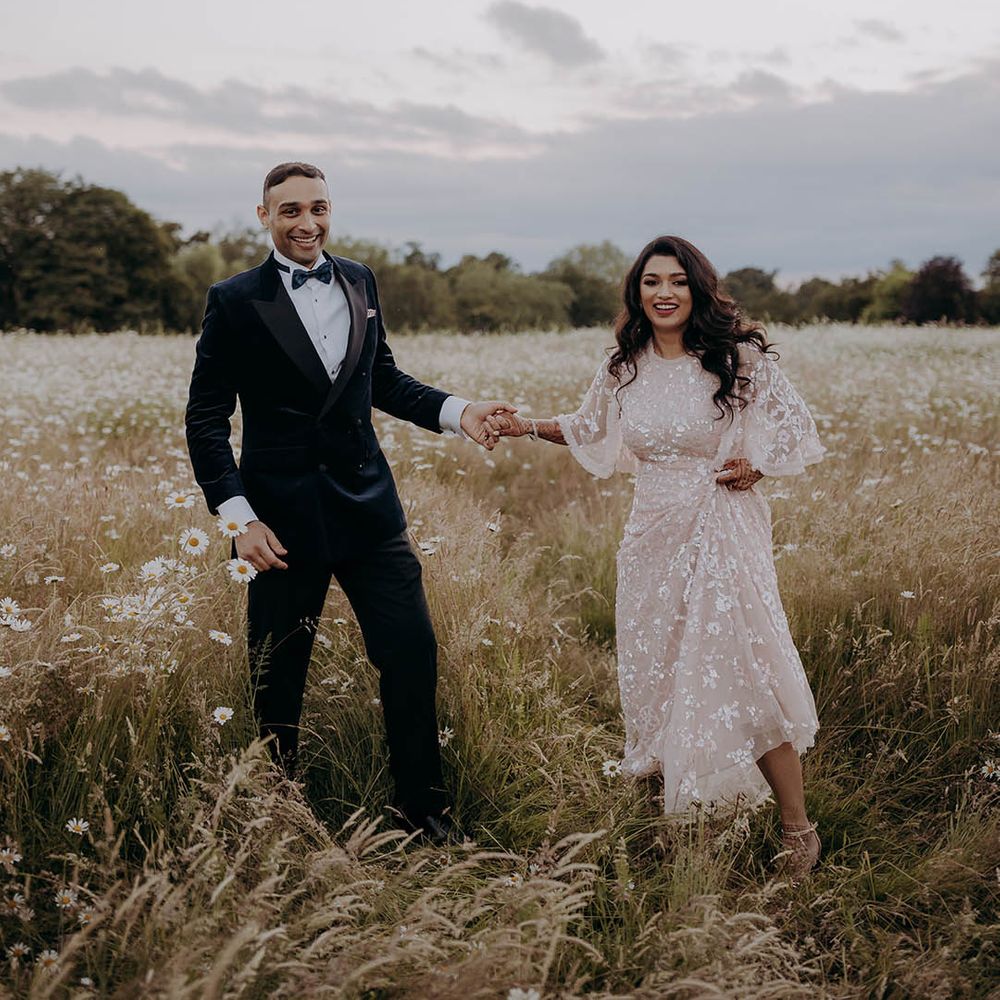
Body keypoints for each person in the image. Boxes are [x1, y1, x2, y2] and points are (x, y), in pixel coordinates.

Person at [185, 161, 514, 844]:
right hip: (278, 525)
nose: (307, 223)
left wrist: (460, 411)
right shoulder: (234, 299)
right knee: (277, 678)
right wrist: (239, 520)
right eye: (291, 211)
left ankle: (423, 815)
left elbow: (382, 380)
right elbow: (205, 420)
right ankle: (279, 817)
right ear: (264, 216)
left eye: (319, 208)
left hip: (369, 511)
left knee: (412, 654)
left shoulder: (360, 279)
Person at [493, 235, 825, 877]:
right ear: (636, 293)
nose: (664, 293)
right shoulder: (624, 366)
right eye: (651, 282)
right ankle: (675, 823)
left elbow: (795, 429)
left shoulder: (740, 357)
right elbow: (589, 428)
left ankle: (797, 829)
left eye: (677, 280)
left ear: (697, 288)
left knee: (746, 666)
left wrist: (756, 464)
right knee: (658, 669)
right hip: (651, 536)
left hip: (724, 528)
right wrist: (522, 425)